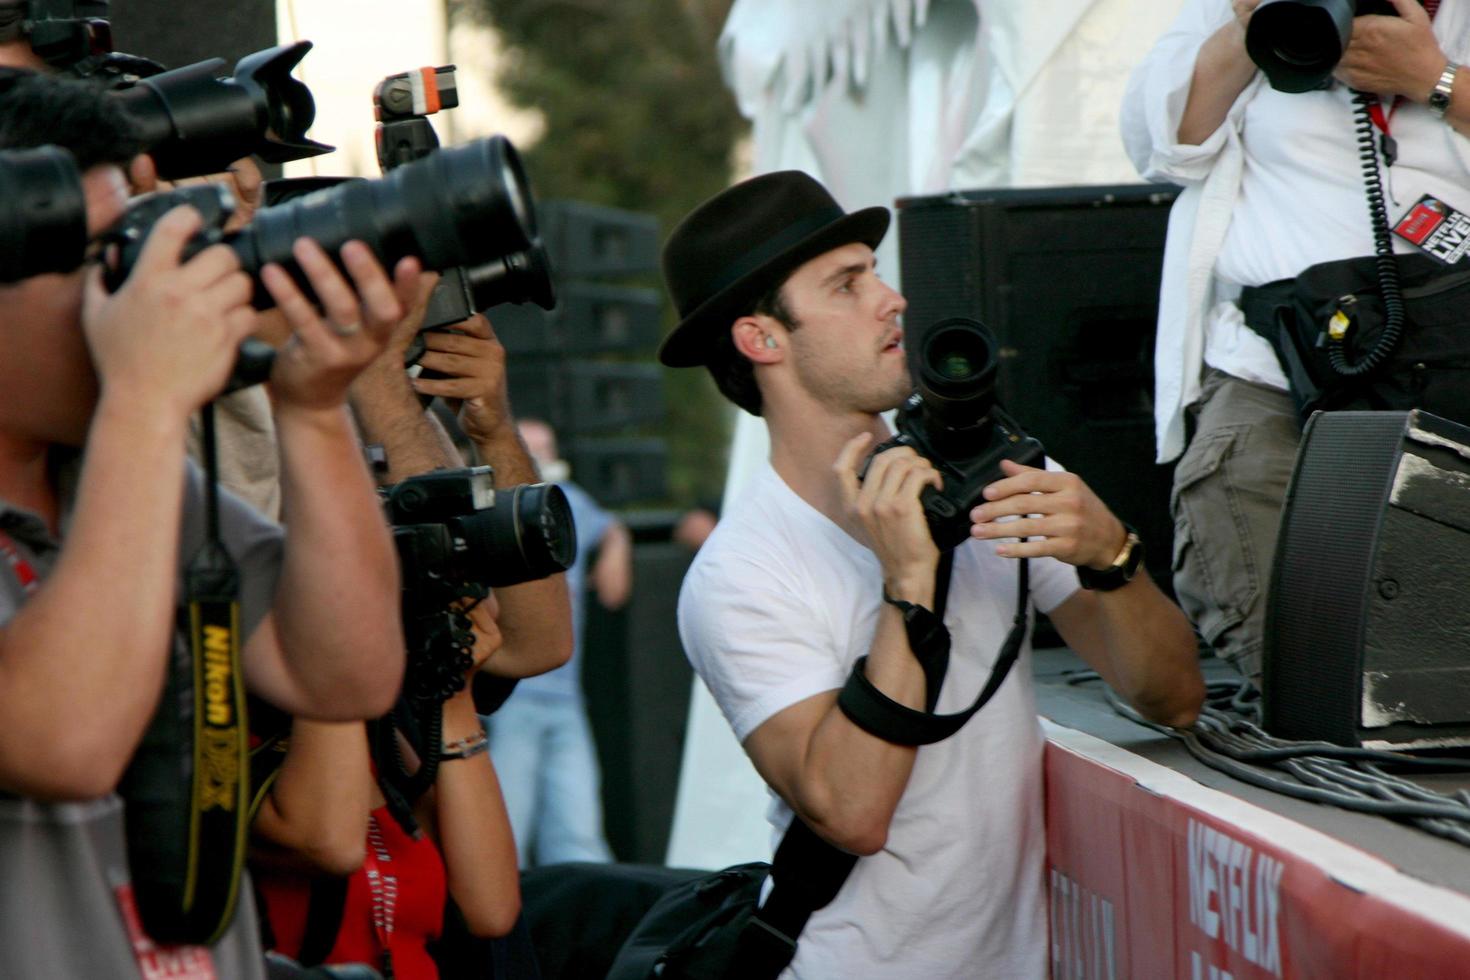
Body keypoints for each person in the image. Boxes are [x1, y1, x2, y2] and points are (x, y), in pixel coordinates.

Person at [658, 170, 1204, 978]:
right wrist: (908, 582)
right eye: (847, 284)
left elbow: (1172, 697)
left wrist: (1112, 555)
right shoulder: (739, 576)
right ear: (761, 339)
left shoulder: (991, 476)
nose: (892, 299)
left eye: (875, 272)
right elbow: (851, 813)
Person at [0, 69, 414, 977]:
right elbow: (60, 739)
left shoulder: (124, 480)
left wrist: (312, 406)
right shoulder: (135, 454)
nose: (148, 294)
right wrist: (147, 401)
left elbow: (345, 673)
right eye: (110, 258)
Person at [1122, 0, 1470, 684]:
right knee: (1271, 584)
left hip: (1455, 350)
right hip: (1279, 362)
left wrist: (1436, 79)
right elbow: (1159, 145)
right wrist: (1254, 27)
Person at [250, 278, 575, 979]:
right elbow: (330, 838)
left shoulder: (396, 678)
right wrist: (381, 390)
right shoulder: (251, 640)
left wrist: (488, 426)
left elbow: (539, 641)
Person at [484, 417, 631, 867]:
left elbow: (613, 575)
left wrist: (615, 542)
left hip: (565, 698)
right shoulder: (491, 506)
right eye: (532, 448)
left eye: (547, 447)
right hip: (512, 697)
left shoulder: (570, 504)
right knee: (510, 831)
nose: (542, 457)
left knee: (579, 833)